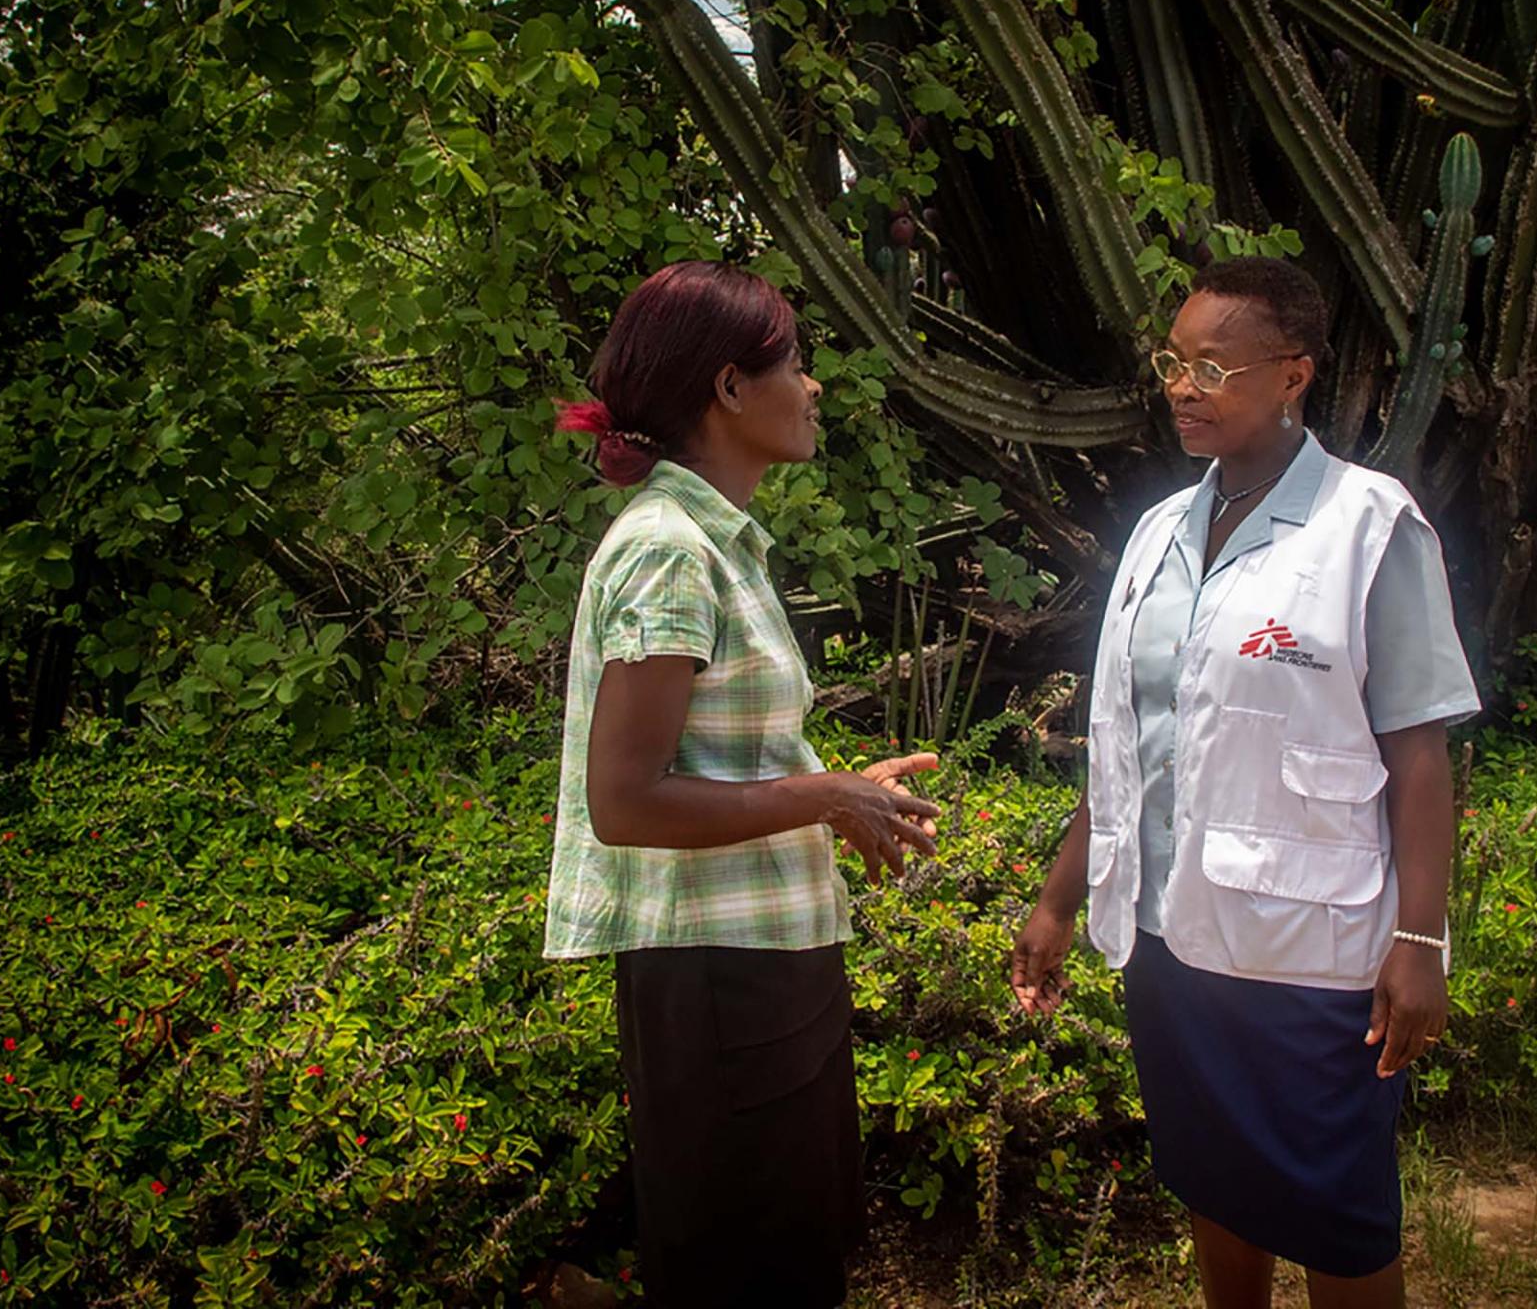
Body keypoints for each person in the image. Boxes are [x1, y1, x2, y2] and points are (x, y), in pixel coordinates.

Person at [1011, 257, 1480, 1309]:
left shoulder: (1369, 527)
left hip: (1307, 953)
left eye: (1215, 366)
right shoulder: (1157, 533)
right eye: (1175, 363)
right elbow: (1133, 745)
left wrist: (1419, 942)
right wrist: (1056, 897)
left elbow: (1418, 754)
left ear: (1293, 375)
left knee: (1338, 1216)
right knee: (1213, 1181)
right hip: (1172, 939)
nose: (1184, 386)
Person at [543, 260, 942, 1309]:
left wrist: (841, 786)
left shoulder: (720, 548)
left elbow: (725, 763)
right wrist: (826, 799)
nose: (811, 388)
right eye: (795, 365)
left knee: (793, 1261)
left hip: (765, 962)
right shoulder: (671, 553)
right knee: (748, 1274)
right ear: (728, 388)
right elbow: (624, 801)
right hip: (718, 983)